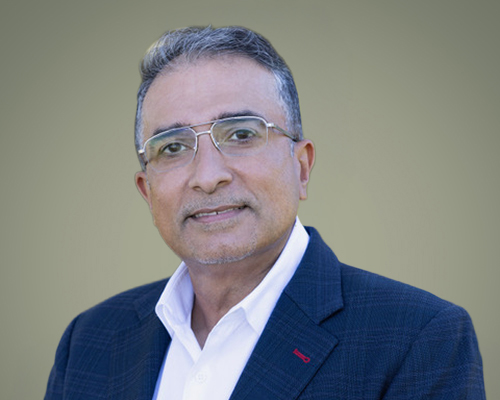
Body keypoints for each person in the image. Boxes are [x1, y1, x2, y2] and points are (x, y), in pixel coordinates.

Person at [44, 26, 485, 399]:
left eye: (240, 134)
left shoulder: (418, 338)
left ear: (302, 167)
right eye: (173, 147)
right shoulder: (89, 341)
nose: (208, 177)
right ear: (147, 191)